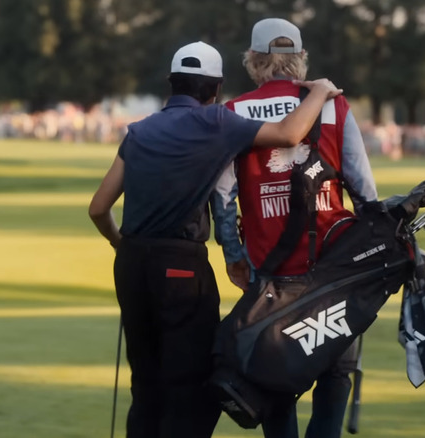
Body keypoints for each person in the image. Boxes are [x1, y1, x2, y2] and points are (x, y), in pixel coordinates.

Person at [89, 41, 343, 438]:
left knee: (146, 385)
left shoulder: (139, 131)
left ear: (171, 84)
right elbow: (290, 134)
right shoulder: (216, 123)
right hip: (181, 267)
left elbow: (98, 207)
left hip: (132, 264)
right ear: (217, 89)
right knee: (190, 389)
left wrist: (119, 243)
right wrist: (321, 91)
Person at [212, 18, 379, 438]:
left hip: (269, 271)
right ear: (300, 60)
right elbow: (364, 191)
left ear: (254, 60)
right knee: (335, 376)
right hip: (335, 267)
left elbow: (221, 196)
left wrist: (234, 256)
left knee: (276, 382)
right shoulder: (334, 105)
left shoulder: (234, 112)